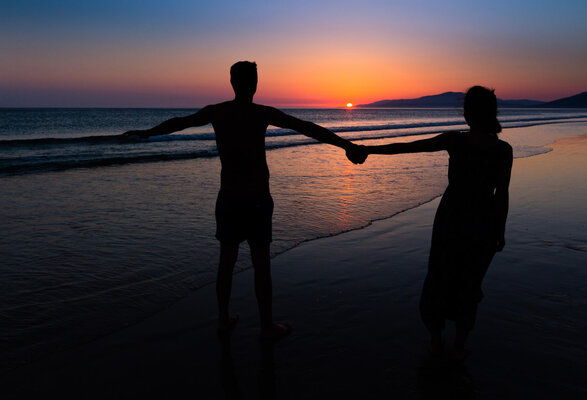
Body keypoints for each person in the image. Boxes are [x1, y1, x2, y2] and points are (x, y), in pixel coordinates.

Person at [123, 61, 366, 340]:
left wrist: (147, 132)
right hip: (258, 199)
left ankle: (224, 321)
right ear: (255, 84)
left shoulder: (218, 112)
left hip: (229, 198)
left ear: (232, 83)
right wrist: (345, 144)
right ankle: (265, 326)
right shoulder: (261, 113)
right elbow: (307, 127)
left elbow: (181, 122)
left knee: (226, 262)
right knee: (261, 265)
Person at [359, 86, 513, 359]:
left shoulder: (456, 141)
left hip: (451, 217)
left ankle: (435, 339)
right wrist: (500, 230)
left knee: (440, 277)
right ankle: (459, 344)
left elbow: (408, 148)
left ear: (466, 114)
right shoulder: (502, 149)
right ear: (492, 113)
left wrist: (368, 149)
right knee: (470, 282)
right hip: (483, 221)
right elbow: (501, 194)